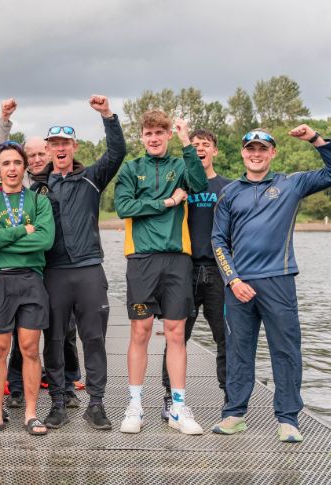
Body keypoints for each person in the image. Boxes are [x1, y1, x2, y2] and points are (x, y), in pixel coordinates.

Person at [211, 126, 331, 443]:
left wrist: (316, 140)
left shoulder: (291, 184)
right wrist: (232, 279)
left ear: (272, 153)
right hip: (239, 288)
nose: (256, 153)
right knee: (238, 352)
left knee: (286, 351)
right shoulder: (229, 193)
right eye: (250, 148)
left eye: (262, 149)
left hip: (279, 281)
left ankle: (288, 419)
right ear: (242, 153)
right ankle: (234, 414)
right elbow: (218, 241)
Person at [35, 95, 126, 431]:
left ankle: (97, 404)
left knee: (94, 338)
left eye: (66, 143)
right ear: (47, 150)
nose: (60, 149)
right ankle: (58, 402)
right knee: (55, 339)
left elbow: (117, 152)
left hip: (88, 268)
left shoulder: (92, 177)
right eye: (54, 144)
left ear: (74, 147)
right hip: (54, 272)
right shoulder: (38, 187)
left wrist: (107, 115)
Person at [114, 110, 207, 435]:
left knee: (176, 333)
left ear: (168, 135)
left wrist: (186, 142)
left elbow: (198, 185)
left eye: (160, 132)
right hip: (141, 260)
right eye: (148, 133)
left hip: (177, 260)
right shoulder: (132, 168)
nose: (153, 138)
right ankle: (135, 405)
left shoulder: (181, 163)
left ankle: (178, 407)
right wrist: (166, 202)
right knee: (140, 331)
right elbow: (124, 207)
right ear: (142, 136)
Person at [0, 99, 84, 408]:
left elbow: (47, 235)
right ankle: (17, 386)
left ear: (48, 153)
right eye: (28, 155)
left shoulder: (60, 179)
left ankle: (69, 384)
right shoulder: (18, 182)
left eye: (37, 154)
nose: (33, 160)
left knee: (65, 329)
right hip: (28, 268)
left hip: (58, 264)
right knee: (23, 332)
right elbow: (1, 153)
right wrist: (4, 121)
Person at [0, 141, 55, 436]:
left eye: (17, 163)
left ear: (24, 167)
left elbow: (45, 241)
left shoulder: (39, 201)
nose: (12, 169)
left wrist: (3, 238)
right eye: (5, 163)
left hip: (31, 279)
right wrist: (22, 231)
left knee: (30, 348)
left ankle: (31, 414)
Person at [160, 129, 230, 420]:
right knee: (176, 337)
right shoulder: (181, 184)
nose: (200, 148)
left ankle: (231, 398)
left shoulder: (228, 187)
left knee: (227, 337)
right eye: (196, 144)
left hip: (218, 271)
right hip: (183, 269)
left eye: (206, 144)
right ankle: (169, 397)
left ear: (214, 151)